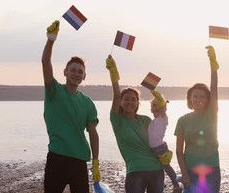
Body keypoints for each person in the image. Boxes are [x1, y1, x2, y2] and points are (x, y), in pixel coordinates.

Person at [41, 20, 100, 192]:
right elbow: (45, 62)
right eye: (73, 70)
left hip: (79, 160)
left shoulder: (87, 102)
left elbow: (93, 133)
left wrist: (95, 161)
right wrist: (51, 39)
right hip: (57, 158)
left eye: (80, 72)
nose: (76, 74)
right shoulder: (54, 91)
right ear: (65, 72)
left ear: (84, 76)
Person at [106, 55, 164, 193]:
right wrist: (113, 74)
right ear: (120, 102)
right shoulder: (117, 120)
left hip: (156, 169)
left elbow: (157, 139)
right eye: (126, 99)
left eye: (133, 100)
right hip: (135, 171)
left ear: (138, 103)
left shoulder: (145, 120)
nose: (130, 102)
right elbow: (116, 95)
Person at [174, 46, 221, 193]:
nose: (198, 99)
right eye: (195, 96)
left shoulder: (211, 114)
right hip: (190, 169)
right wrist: (184, 173)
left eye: (202, 96)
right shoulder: (182, 120)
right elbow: (179, 150)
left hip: (211, 169)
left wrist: (213, 66)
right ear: (190, 98)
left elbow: (214, 87)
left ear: (208, 99)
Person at [149, 90, 183, 193]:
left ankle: (176, 184)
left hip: (160, 149)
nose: (155, 107)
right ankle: (160, 183)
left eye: (157, 105)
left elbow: (161, 105)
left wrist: (153, 91)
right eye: (153, 105)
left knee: (166, 167)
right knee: (157, 168)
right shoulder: (153, 121)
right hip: (153, 149)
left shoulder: (163, 118)